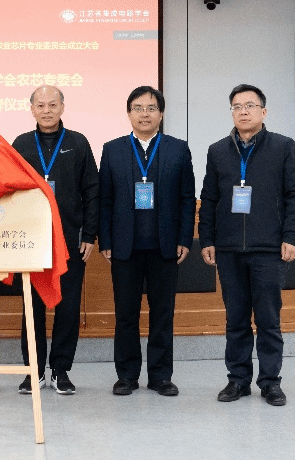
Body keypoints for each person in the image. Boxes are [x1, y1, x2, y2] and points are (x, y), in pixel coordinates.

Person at [198, 84, 295, 407]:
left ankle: (270, 382)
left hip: (269, 249)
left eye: (250, 105)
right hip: (229, 249)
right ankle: (238, 379)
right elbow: (209, 199)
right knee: (235, 319)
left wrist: (292, 237)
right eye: (237, 106)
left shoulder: (283, 147)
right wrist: (208, 239)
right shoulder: (218, 151)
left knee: (268, 320)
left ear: (263, 111)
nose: (243, 111)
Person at [99, 86, 196, 397]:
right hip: (124, 248)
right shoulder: (112, 149)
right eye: (138, 108)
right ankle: (126, 376)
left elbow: (186, 198)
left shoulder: (178, 149)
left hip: (165, 248)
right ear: (129, 113)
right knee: (125, 315)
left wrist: (184, 238)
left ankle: (160, 376)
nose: (145, 114)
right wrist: (105, 240)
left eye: (151, 108)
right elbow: (104, 200)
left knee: (162, 314)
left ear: (161, 114)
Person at [11, 85, 99, 395]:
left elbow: (92, 190)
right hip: (30, 241)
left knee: (68, 307)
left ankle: (61, 370)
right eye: (40, 105)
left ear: (62, 107)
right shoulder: (21, 144)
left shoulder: (78, 142)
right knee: (32, 307)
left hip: (70, 240)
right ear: (31, 109)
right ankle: (33, 371)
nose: (46, 111)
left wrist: (89, 234)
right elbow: (10, 191)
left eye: (52, 105)